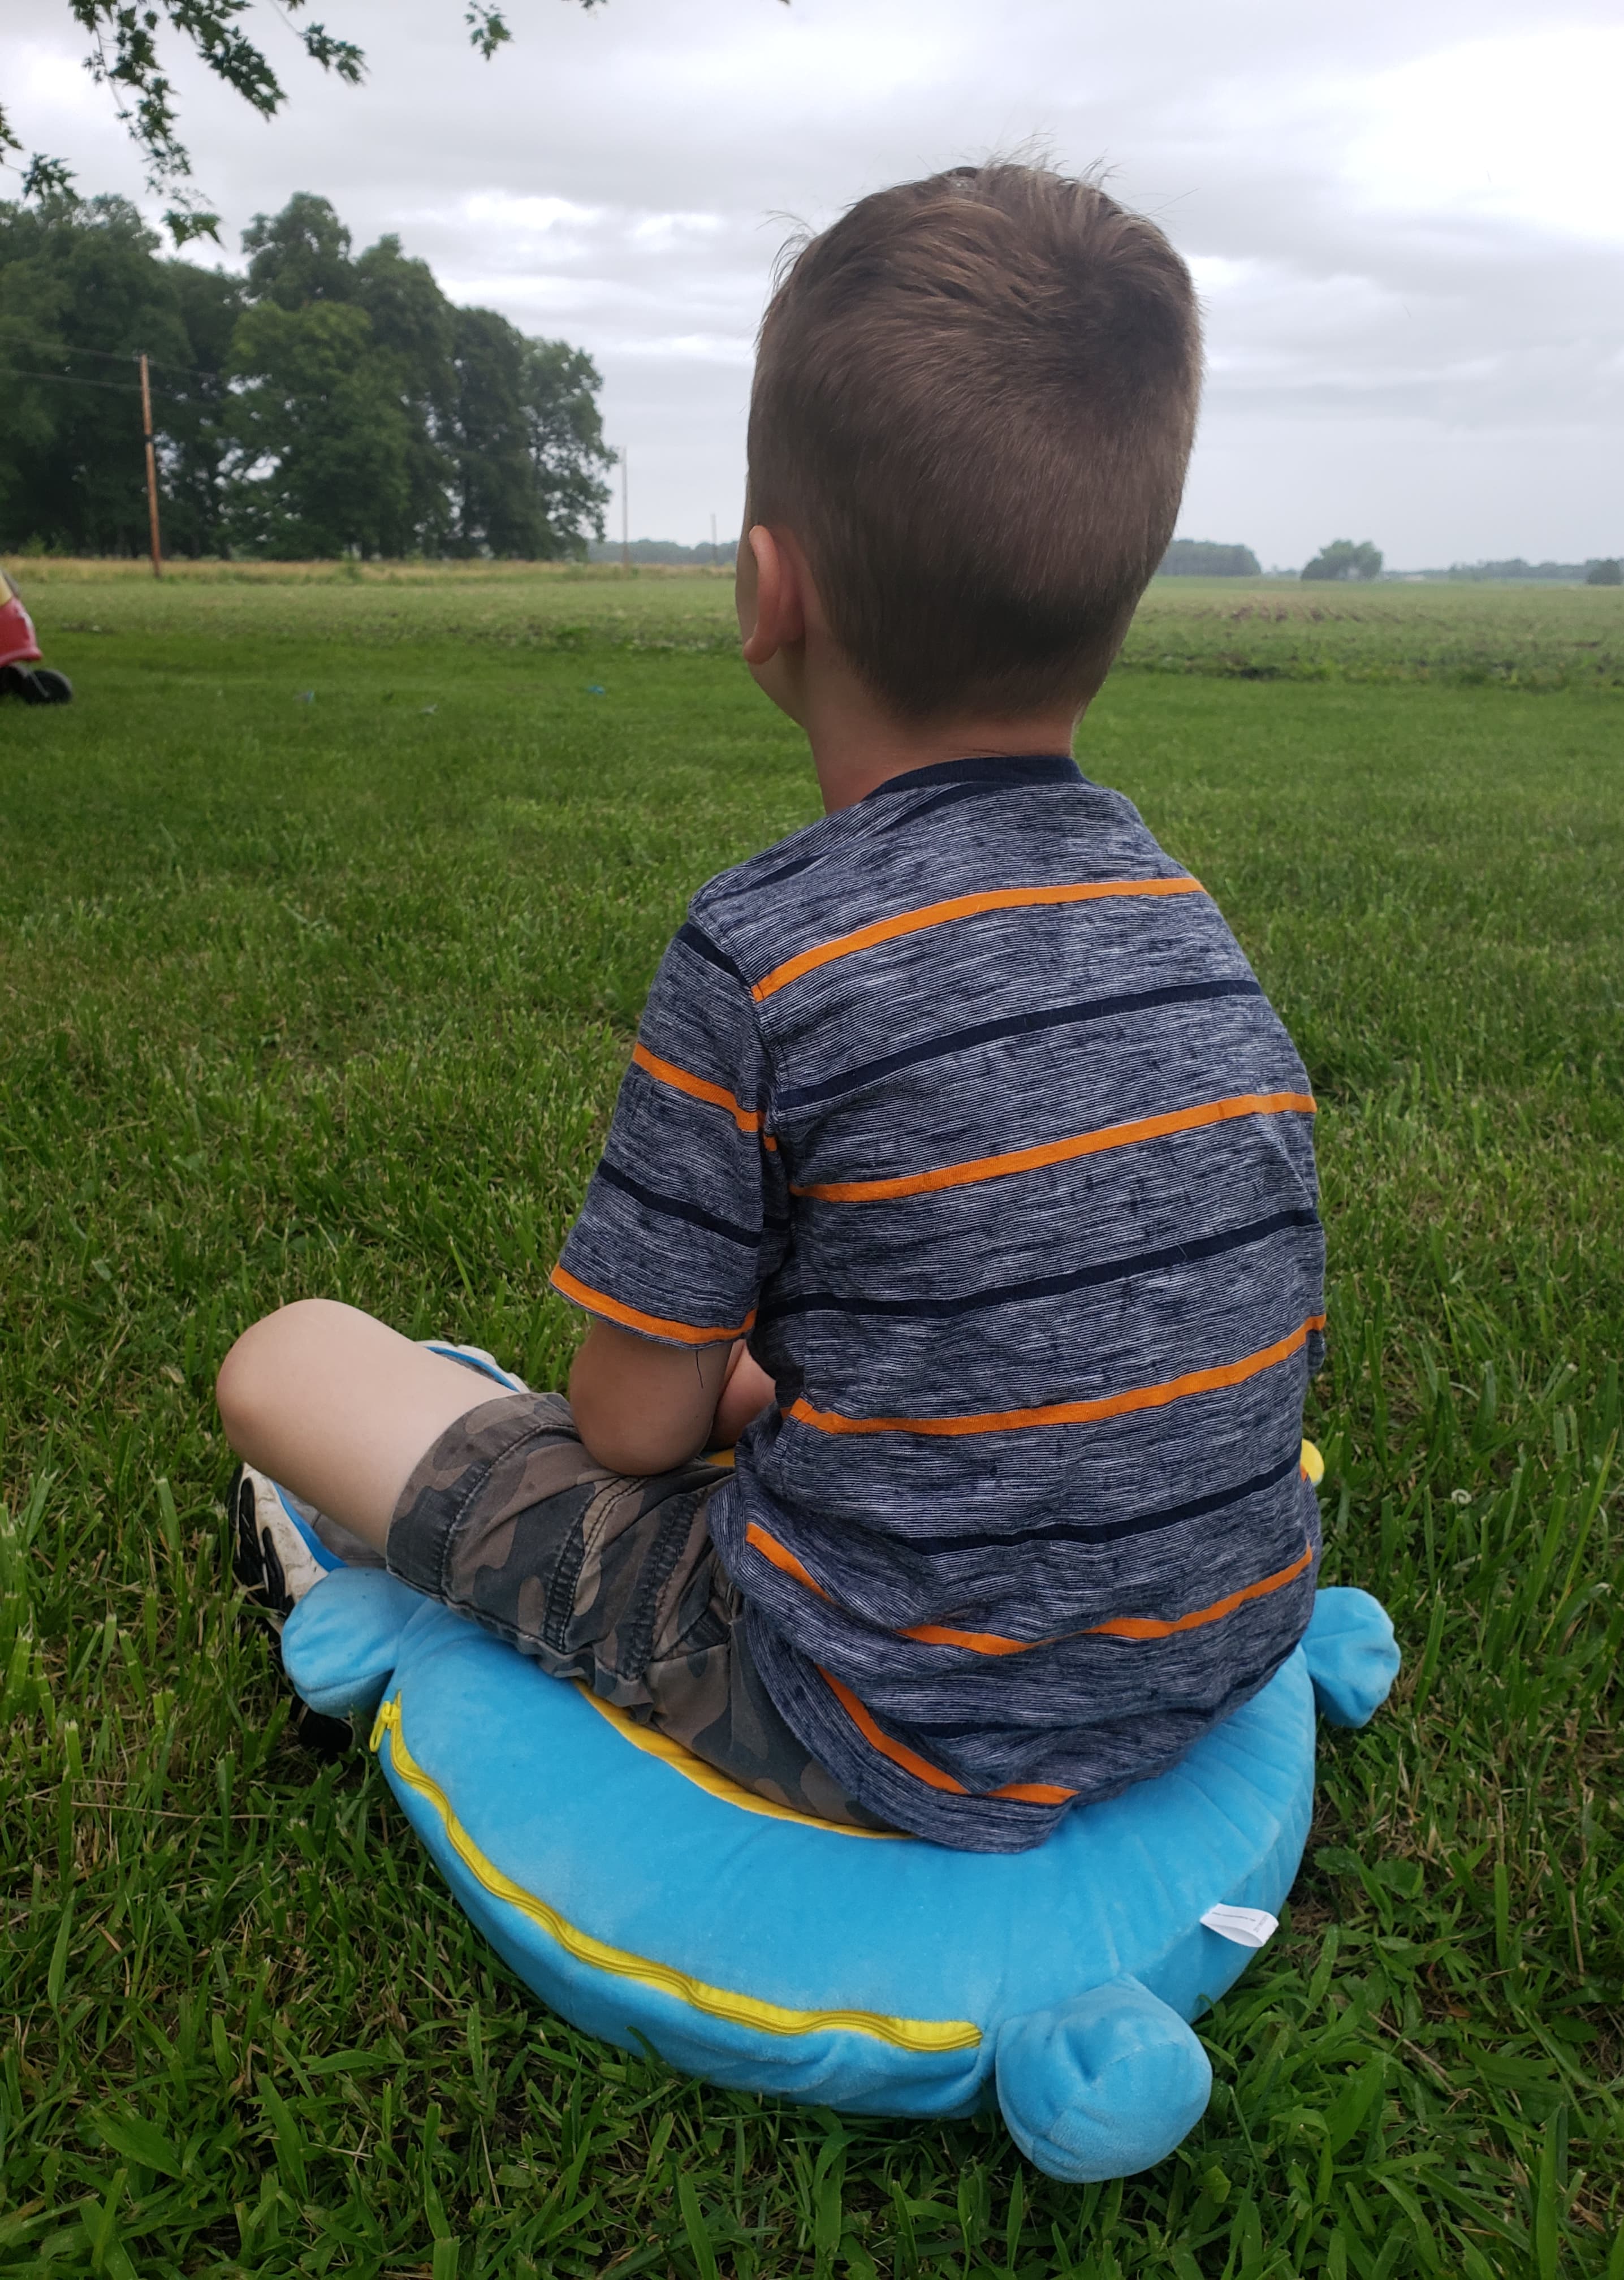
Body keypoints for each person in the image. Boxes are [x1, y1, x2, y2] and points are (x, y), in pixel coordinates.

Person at [218, 162, 1325, 1852]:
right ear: (1121, 594)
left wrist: (691, 1390)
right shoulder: (1187, 918)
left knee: (289, 1361)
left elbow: (635, 1429)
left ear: (766, 592)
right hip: (1214, 1652)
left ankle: (338, 1546)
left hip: (867, 1715)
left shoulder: (764, 953)